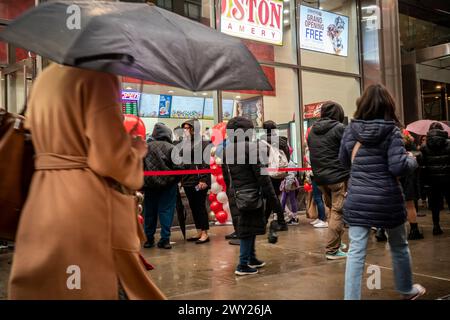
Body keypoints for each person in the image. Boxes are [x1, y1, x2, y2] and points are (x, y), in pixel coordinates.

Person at [8, 63, 165, 299]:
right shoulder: (99, 76)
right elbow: (107, 160)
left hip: (41, 200)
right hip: (85, 202)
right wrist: (134, 151)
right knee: (105, 283)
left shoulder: (45, 79)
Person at [340, 84, 425, 300]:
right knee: (399, 246)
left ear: (363, 105)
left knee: (356, 251)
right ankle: (406, 290)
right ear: (388, 105)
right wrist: (412, 160)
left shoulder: (350, 130)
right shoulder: (392, 131)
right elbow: (397, 167)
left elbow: (343, 161)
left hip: (358, 197)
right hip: (387, 198)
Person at [223, 117, 283, 275]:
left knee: (248, 228)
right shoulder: (252, 148)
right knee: (247, 230)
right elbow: (262, 176)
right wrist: (273, 199)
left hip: (236, 194)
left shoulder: (227, 150)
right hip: (251, 194)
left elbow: (225, 176)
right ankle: (242, 264)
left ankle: (251, 257)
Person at [307, 101, 349, 260]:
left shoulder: (312, 131)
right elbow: (348, 150)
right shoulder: (339, 128)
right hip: (338, 177)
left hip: (320, 178)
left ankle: (337, 242)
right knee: (338, 212)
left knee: (332, 210)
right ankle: (332, 250)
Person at [143, 123, 180, 249]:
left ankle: (149, 239)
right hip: (168, 187)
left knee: (149, 213)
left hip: (149, 187)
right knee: (166, 212)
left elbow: (138, 166)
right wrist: (173, 181)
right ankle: (165, 239)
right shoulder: (171, 148)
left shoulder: (145, 147)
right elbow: (180, 168)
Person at [180, 119, 211, 244]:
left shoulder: (202, 143)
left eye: (188, 128)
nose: (185, 130)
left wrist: (203, 179)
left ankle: (205, 232)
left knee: (200, 206)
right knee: (193, 206)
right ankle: (199, 231)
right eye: (185, 128)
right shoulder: (185, 143)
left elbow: (205, 162)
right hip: (187, 180)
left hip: (198, 181)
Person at [418, 122, 450, 235]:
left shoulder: (424, 147)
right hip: (448, 179)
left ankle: (436, 227)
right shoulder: (449, 144)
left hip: (432, 180)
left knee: (434, 205)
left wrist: (423, 181)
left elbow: (422, 166)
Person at [260, 120, 290, 231]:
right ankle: (264, 221)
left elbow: (261, 160)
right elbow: (287, 157)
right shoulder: (282, 141)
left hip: (267, 173)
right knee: (272, 197)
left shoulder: (262, 142)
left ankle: (281, 221)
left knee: (271, 197)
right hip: (280, 173)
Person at [401, 130, 424, 240]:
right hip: (408, 179)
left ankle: (381, 231)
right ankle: (414, 231)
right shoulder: (412, 152)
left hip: (393, 177)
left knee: (386, 205)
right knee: (410, 205)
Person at [280, 160, 301, 225]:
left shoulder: (290, 163)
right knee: (284, 200)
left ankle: (294, 218)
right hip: (288, 183)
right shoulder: (287, 162)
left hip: (290, 184)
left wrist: (287, 186)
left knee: (290, 200)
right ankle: (283, 217)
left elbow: (291, 175)